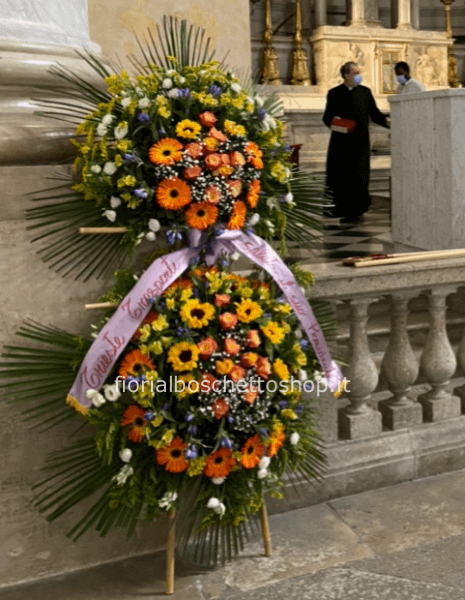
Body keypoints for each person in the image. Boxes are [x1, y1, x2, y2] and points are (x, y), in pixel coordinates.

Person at [322, 62, 390, 224]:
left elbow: (375, 114)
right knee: (342, 178)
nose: (359, 75)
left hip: (360, 144)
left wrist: (387, 122)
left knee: (359, 177)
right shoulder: (334, 93)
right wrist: (344, 127)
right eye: (355, 72)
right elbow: (327, 118)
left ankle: (358, 209)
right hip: (341, 144)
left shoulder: (365, 92)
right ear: (346, 75)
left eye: (359, 72)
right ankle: (342, 210)